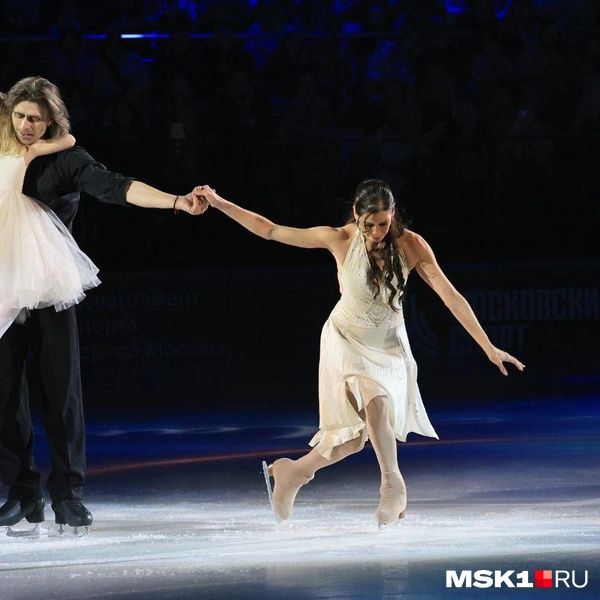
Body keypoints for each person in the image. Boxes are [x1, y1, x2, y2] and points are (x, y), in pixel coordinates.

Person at [195, 179, 525, 527]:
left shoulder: (412, 245)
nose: (377, 231)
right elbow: (271, 230)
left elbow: (450, 294)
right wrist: (218, 202)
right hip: (345, 337)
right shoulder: (340, 238)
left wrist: (487, 346)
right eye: (369, 224)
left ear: (393, 214)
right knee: (375, 400)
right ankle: (392, 486)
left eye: (383, 223)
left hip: (388, 344)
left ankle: (295, 473)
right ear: (356, 214)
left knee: (351, 441)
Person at [0, 76, 206, 534]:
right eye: (19, 116)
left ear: (50, 119)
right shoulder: (3, 151)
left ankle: (67, 494)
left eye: (35, 118)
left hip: (50, 286)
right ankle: (22, 490)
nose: (26, 125)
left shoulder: (68, 159)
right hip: (2, 285)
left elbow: (116, 186)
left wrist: (175, 202)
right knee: (4, 392)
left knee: (61, 392)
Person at [0, 93, 100, 339]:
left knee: (9, 299)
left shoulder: (27, 149)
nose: (24, 123)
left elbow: (69, 138)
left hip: (16, 224)